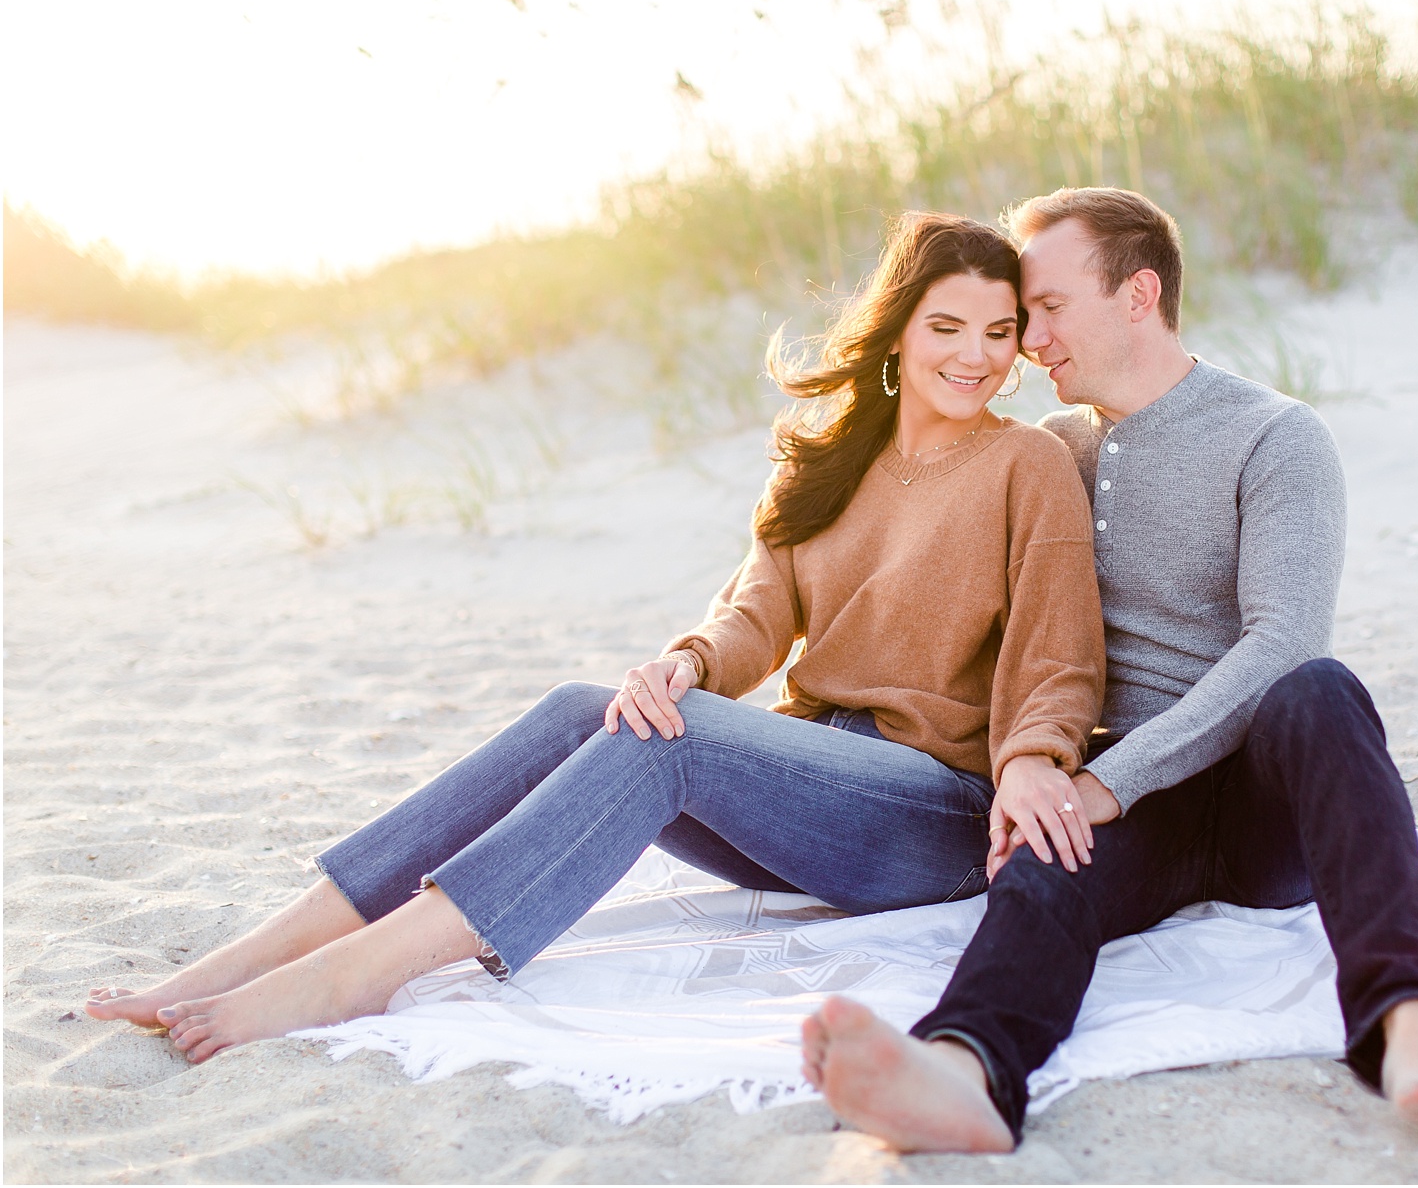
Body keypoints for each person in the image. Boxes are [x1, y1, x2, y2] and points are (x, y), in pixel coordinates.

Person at [85, 212, 1107, 1065]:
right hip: (804, 787)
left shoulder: (1028, 464)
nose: (974, 354)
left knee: (679, 738)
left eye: (998, 330)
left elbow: (1060, 657)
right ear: (897, 330)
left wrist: (1029, 761)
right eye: (947, 326)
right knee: (592, 707)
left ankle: (361, 973)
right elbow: (752, 617)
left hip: (926, 812)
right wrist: (686, 662)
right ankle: (258, 952)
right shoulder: (827, 460)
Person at [800, 188, 1418, 1152]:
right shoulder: (1054, 452)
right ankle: (966, 1070)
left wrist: (1105, 782)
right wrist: (1037, 768)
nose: (1028, 338)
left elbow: (1284, 641)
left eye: (1047, 307)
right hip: (1128, 804)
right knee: (1043, 839)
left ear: (1137, 295)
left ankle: (1414, 1023)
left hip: (1260, 795)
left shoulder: (1275, 436)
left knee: (1321, 688)